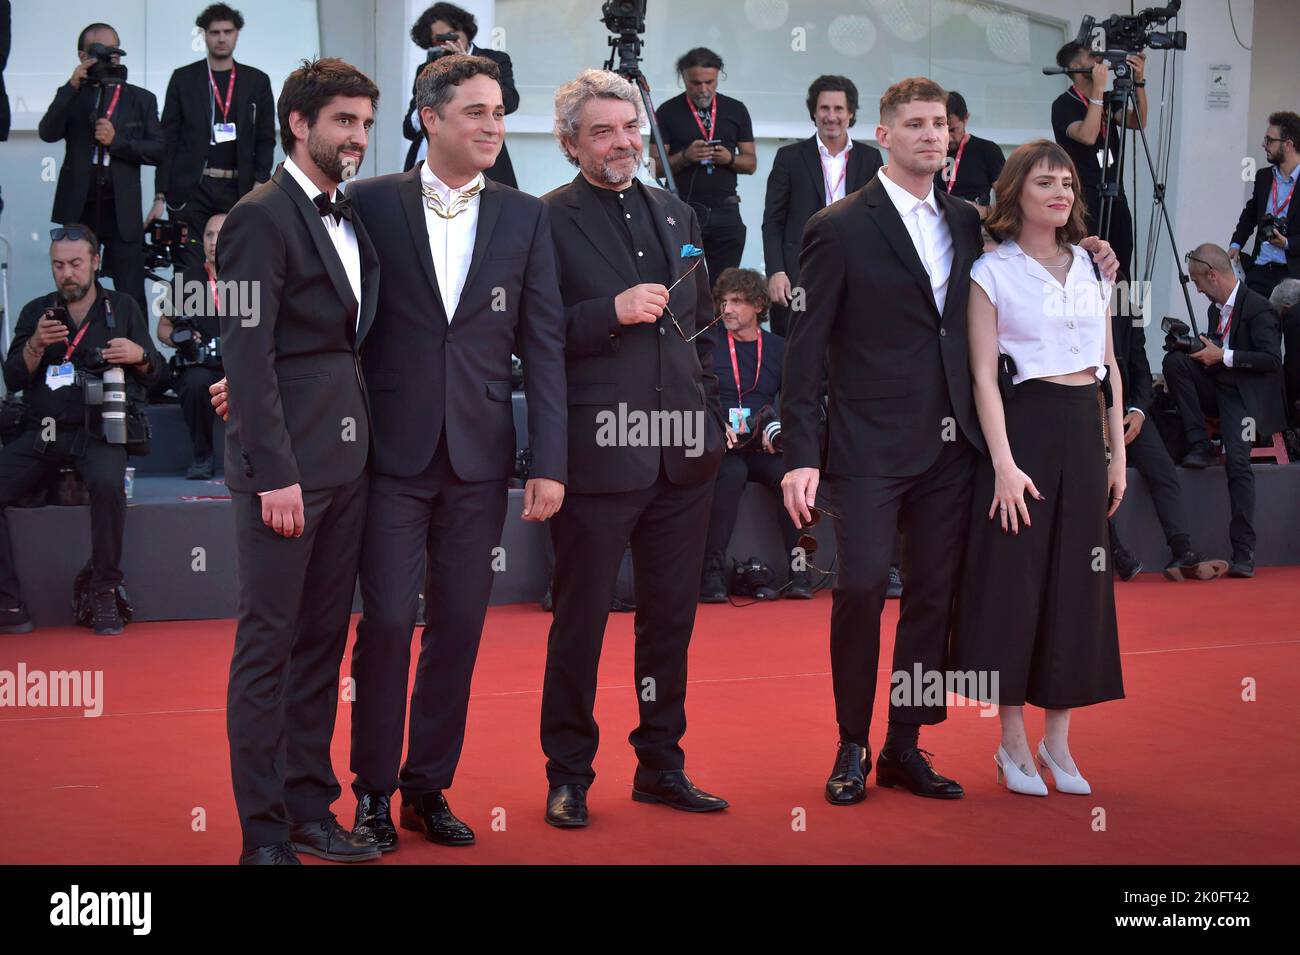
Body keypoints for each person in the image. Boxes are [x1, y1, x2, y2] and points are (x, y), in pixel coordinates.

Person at [781, 78, 1118, 807]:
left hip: (950, 447)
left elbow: (1039, 241)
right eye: (915, 125)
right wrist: (801, 454)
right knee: (865, 585)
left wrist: (1092, 244)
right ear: (883, 133)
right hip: (868, 447)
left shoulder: (970, 222)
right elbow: (804, 352)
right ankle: (852, 742)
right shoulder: (837, 227)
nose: (931, 136)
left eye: (940, 125)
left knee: (933, 597)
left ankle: (905, 743)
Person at [342, 54, 566, 853]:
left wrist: (549, 458)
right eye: (475, 111)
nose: (492, 126)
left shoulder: (524, 215)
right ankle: (369, 791)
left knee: (461, 628)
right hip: (389, 455)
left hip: (481, 458)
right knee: (391, 623)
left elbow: (543, 343)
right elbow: (333, 322)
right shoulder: (366, 203)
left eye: (499, 112)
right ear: (429, 118)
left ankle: (426, 786)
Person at [539, 69, 728, 828]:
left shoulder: (678, 210)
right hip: (598, 455)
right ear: (569, 142)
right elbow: (534, 337)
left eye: (630, 128)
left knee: (669, 623)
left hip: (685, 457)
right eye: (603, 131)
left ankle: (661, 763)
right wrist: (607, 314)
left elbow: (704, 328)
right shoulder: (540, 220)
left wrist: (712, 420)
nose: (622, 142)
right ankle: (569, 773)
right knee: (580, 621)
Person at [219, 58, 382, 865]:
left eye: (363, 122)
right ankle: (262, 835)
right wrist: (274, 469)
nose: (356, 136)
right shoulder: (260, 215)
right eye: (342, 121)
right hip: (286, 475)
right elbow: (244, 355)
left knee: (322, 644)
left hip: (348, 466)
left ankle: (310, 808)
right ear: (299, 123)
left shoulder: (346, 211)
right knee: (270, 646)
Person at [951, 139, 1126, 797]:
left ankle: (1060, 742)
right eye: (1045, 182)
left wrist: (1119, 453)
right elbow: (981, 378)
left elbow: (1110, 367)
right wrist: (1002, 462)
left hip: (1086, 432)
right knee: (1015, 586)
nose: (1059, 193)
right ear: (1016, 192)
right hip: (1024, 428)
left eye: (1067, 184)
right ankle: (1012, 741)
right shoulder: (991, 271)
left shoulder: (1092, 265)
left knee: (1079, 589)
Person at [0, 226, 162, 636]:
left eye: (75, 263)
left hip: (99, 432)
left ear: (95, 262)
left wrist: (139, 355)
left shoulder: (121, 307)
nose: (67, 273)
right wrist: (35, 346)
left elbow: (156, 375)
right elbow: (14, 378)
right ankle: (8, 601)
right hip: (44, 431)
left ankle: (104, 589)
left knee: (108, 485)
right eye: (59, 265)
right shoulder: (38, 311)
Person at [1162, 244, 1287, 579]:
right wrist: (1202, 350)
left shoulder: (1259, 308)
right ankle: (1198, 444)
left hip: (1245, 395)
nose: (1197, 289)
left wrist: (1225, 356)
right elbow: (1219, 346)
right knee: (1174, 361)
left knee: (1238, 460)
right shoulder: (1218, 309)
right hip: (1217, 384)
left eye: (1198, 282)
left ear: (1213, 275)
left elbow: (1272, 361)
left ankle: (1243, 551)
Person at [1106, 256, 1228, 583]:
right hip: (1088, 415)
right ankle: (1115, 553)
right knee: (1093, 479)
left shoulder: (1128, 313)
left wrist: (1139, 411)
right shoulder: (1071, 313)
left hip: (1129, 415)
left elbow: (1141, 370)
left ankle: (1181, 551)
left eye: (1116, 280)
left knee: (1162, 469)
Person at [698, 267, 807, 601]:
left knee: (791, 476)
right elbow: (691, 393)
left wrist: (778, 429)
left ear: (759, 305)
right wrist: (714, 424)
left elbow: (800, 399)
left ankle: (801, 571)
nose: (726, 309)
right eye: (723, 301)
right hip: (723, 445)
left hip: (764, 447)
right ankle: (711, 574)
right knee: (731, 474)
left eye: (736, 302)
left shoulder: (779, 348)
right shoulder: (708, 344)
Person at [38, 23, 163, 313]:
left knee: (130, 290)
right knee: (76, 287)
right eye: (101, 52)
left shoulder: (141, 99)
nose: (111, 58)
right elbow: (48, 132)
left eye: (115, 50)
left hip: (121, 208)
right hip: (79, 205)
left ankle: (137, 355)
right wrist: (71, 87)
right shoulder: (73, 94)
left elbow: (158, 150)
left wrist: (117, 142)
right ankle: (75, 351)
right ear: (84, 56)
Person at [151, 4, 275, 276]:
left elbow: (266, 138)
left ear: (237, 34)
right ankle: (189, 320)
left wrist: (259, 181)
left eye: (227, 31)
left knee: (240, 262)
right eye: (215, 32)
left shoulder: (257, 81)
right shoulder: (184, 78)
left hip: (239, 187)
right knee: (188, 265)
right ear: (204, 35)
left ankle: (236, 319)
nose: (221, 38)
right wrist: (160, 194)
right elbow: (168, 138)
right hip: (193, 188)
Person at [763, 75, 882, 337]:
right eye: (824, 108)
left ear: (850, 113)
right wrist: (776, 271)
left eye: (839, 109)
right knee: (796, 346)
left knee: (851, 347)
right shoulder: (789, 157)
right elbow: (773, 221)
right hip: (799, 272)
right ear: (814, 113)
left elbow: (880, 219)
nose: (831, 116)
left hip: (855, 270)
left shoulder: (870, 158)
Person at [652, 48, 755, 279]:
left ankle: (721, 317)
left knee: (725, 286)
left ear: (719, 77)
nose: (703, 89)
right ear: (683, 79)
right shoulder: (668, 111)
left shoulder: (735, 110)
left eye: (710, 82)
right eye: (695, 83)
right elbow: (651, 167)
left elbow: (751, 163)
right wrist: (685, 157)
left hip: (726, 209)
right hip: (684, 209)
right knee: (683, 282)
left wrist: (729, 159)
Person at [1051, 41, 1146, 281]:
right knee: (1087, 267)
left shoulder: (1105, 99)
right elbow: (1088, 135)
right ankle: (1091, 317)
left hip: (1116, 195)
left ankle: (1125, 318)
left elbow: (1138, 122)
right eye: (1092, 57)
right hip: (1085, 201)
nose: (1099, 62)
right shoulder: (1063, 104)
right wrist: (1097, 93)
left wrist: (1140, 82)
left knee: (1123, 268)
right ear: (1074, 66)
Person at [401, 3, 518, 188]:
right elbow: (409, 128)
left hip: (482, 163)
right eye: (440, 39)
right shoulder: (426, 70)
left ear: (464, 30)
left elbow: (511, 101)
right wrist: (427, 98)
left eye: (452, 35)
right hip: (427, 161)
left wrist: (473, 67)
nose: (449, 43)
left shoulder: (495, 58)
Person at [1232, 111, 1300, 424]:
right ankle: (1254, 419)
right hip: (1260, 272)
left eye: (1270, 140)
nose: (1264, 145)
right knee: (1251, 342)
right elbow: (1250, 213)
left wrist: (1290, 244)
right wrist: (1235, 244)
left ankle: (1288, 419)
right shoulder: (1263, 177)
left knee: (1294, 354)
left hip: (1293, 277)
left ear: (1288, 144)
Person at [157, 212, 226, 479]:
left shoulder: (251, 274)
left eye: (220, 235)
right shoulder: (187, 280)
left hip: (242, 364)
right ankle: (202, 456)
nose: (213, 241)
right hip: (204, 366)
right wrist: (178, 338)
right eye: (209, 234)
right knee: (195, 382)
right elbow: (162, 328)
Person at [934, 90, 1004, 222]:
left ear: (966, 118)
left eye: (953, 129)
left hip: (976, 230)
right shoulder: (929, 151)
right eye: (941, 129)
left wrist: (985, 211)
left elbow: (1012, 201)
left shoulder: (987, 151)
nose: (948, 138)